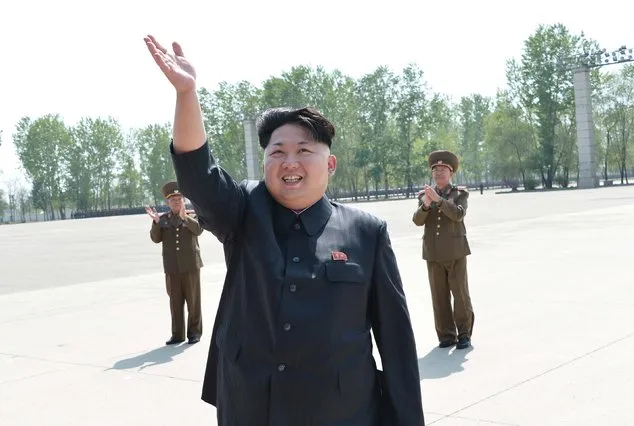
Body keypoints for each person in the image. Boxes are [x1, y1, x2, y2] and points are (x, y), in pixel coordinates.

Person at [144, 34, 425, 426]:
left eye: (304, 151)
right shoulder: (242, 211)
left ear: (330, 165)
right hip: (252, 407)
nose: (289, 161)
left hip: (341, 413)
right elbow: (198, 176)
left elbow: (396, 343)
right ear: (265, 164)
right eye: (277, 152)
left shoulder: (366, 232)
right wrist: (187, 94)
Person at [412, 150, 474, 350]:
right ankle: (446, 335)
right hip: (433, 253)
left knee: (460, 294)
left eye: (443, 170)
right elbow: (417, 221)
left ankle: (464, 334)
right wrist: (426, 206)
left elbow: (458, 215)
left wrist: (439, 201)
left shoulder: (459, 194)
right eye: (435, 170)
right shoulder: (424, 195)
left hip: (455, 251)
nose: (438, 173)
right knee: (439, 297)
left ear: (451, 173)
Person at [146, 181, 204, 345]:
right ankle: (177, 334)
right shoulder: (163, 220)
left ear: (183, 200)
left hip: (191, 265)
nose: (176, 202)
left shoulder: (192, 215)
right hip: (172, 268)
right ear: (167, 202)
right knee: (175, 303)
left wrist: (185, 218)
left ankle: (194, 333)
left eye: (179, 199)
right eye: (173, 200)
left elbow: (199, 230)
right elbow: (155, 239)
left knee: (194, 302)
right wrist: (156, 223)